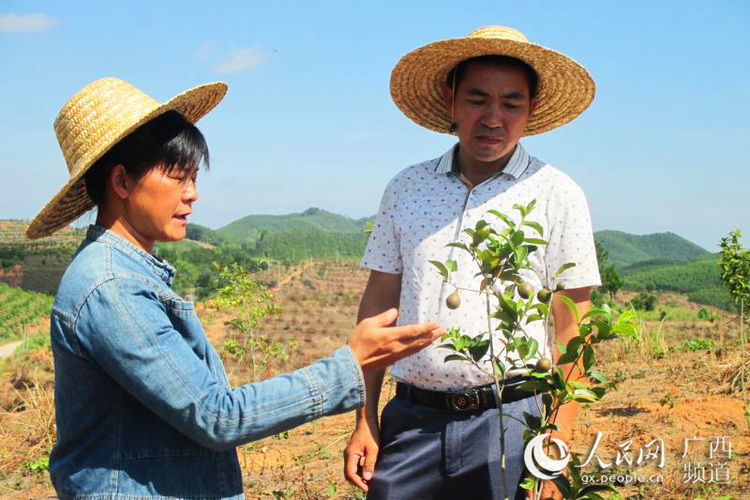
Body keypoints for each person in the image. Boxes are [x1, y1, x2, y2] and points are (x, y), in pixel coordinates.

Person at [25, 77, 445, 499]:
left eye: (194, 178)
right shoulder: (113, 287)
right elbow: (217, 416)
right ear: (121, 182)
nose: (192, 195)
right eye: (178, 177)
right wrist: (350, 365)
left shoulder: (127, 274)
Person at [344, 26, 601, 500]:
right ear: (450, 99)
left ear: (532, 109)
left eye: (511, 104)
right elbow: (378, 304)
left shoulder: (556, 193)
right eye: (478, 99)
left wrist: (557, 436)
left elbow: (573, 325)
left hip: (513, 421)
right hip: (411, 423)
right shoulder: (407, 187)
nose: (493, 118)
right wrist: (366, 416)